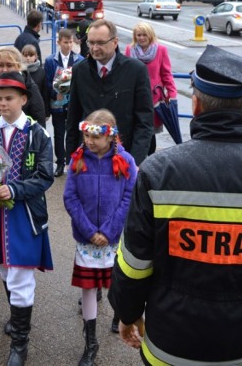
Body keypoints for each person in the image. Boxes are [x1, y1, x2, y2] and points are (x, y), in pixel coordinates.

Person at [108, 45, 242, 365]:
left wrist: (127, 313)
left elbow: (135, 262)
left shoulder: (158, 173)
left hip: (169, 346)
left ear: (195, 105)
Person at [0, 71, 54, 366]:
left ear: (24, 99)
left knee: (21, 276)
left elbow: (45, 176)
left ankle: (19, 345)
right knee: (2, 267)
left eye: (9, 98)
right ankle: (16, 315)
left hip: (25, 215)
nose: (2, 104)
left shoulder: (38, 133)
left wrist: (13, 189)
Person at [63, 109, 137, 366]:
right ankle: (91, 341)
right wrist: (88, 230)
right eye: (86, 135)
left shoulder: (126, 161)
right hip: (86, 238)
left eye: (95, 136)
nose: (90, 141)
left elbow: (129, 199)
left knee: (115, 281)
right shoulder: (78, 160)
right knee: (88, 287)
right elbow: (70, 197)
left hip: (113, 237)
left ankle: (119, 313)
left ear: (111, 137)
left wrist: (107, 231)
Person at [66, 19, 153, 166]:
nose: (94, 48)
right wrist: (71, 158)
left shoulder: (136, 70)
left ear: (115, 42)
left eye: (100, 43)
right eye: (91, 42)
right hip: (88, 158)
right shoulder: (79, 70)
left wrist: (135, 161)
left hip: (123, 159)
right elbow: (73, 117)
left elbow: (144, 121)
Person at [124, 22, 177, 154]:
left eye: (144, 35)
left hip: (153, 98)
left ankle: (149, 163)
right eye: (138, 35)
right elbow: (124, 72)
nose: (141, 38)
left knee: (149, 132)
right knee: (134, 129)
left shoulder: (161, 50)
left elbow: (166, 74)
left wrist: (172, 94)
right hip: (133, 97)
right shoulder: (129, 50)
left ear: (150, 35)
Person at [44, 28, 84, 177]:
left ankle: (73, 161)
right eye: (65, 42)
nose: (68, 45)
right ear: (59, 42)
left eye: (71, 42)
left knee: (73, 133)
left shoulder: (79, 60)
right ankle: (60, 162)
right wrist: (55, 93)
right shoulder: (50, 61)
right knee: (59, 133)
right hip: (57, 103)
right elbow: (48, 81)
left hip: (73, 103)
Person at [0, 46, 45, 127]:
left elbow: (39, 118)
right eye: (1, 65)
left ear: (18, 66)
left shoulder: (28, 85)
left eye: (9, 65)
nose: (4, 70)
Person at [20, 44, 48, 123]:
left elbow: (45, 92)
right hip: (23, 109)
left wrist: (46, 112)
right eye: (25, 55)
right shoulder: (19, 71)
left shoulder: (41, 71)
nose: (28, 58)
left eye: (31, 55)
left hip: (38, 109)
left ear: (36, 56)